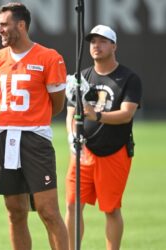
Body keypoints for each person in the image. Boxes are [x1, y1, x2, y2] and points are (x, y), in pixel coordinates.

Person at [0, 3, 69, 250]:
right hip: (3, 137)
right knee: (15, 211)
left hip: (35, 139)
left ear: (21, 25)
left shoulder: (49, 57)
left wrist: (34, 117)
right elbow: (1, 100)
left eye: (4, 24)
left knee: (48, 211)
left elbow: (57, 104)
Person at [65, 25, 142, 250]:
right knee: (72, 205)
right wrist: (71, 137)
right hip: (82, 152)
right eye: (93, 42)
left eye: (103, 41)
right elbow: (71, 111)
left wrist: (96, 115)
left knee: (111, 209)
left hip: (114, 151)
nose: (96, 46)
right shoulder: (82, 76)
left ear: (114, 46)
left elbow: (126, 114)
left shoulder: (128, 78)